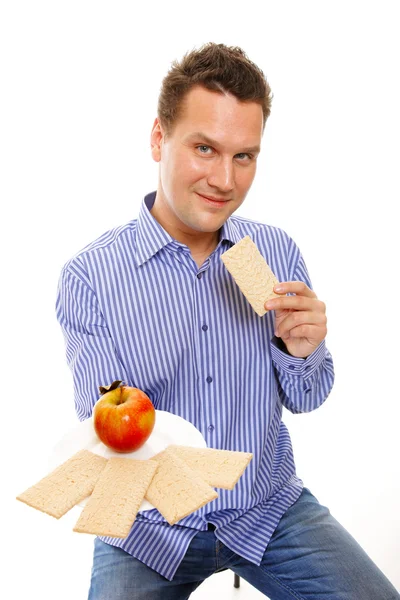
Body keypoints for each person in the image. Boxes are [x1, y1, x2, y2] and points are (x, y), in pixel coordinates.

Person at [56, 43, 399, 599]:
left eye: (244, 156)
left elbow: (308, 397)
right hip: (147, 528)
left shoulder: (271, 251)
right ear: (157, 139)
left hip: (266, 507)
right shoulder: (92, 277)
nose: (224, 179)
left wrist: (303, 349)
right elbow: (108, 427)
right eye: (204, 148)